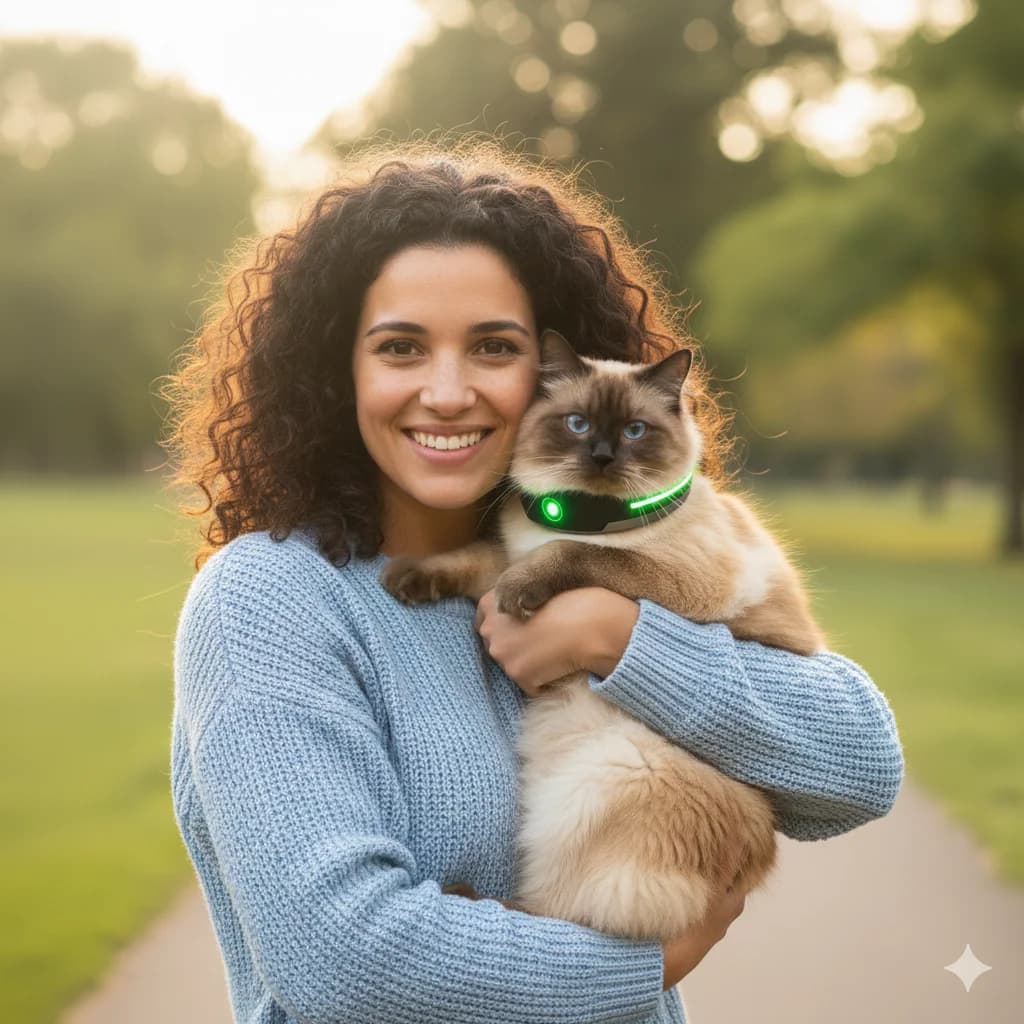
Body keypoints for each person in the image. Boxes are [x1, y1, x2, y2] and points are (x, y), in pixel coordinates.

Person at [164, 143, 905, 1024]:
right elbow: (347, 962)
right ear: (339, 372)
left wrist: (621, 637)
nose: (447, 392)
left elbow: (857, 767)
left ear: (554, 374)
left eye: (493, 347)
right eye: (400, 347)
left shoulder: (592, 564)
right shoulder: (273, 600)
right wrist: (645, 965)